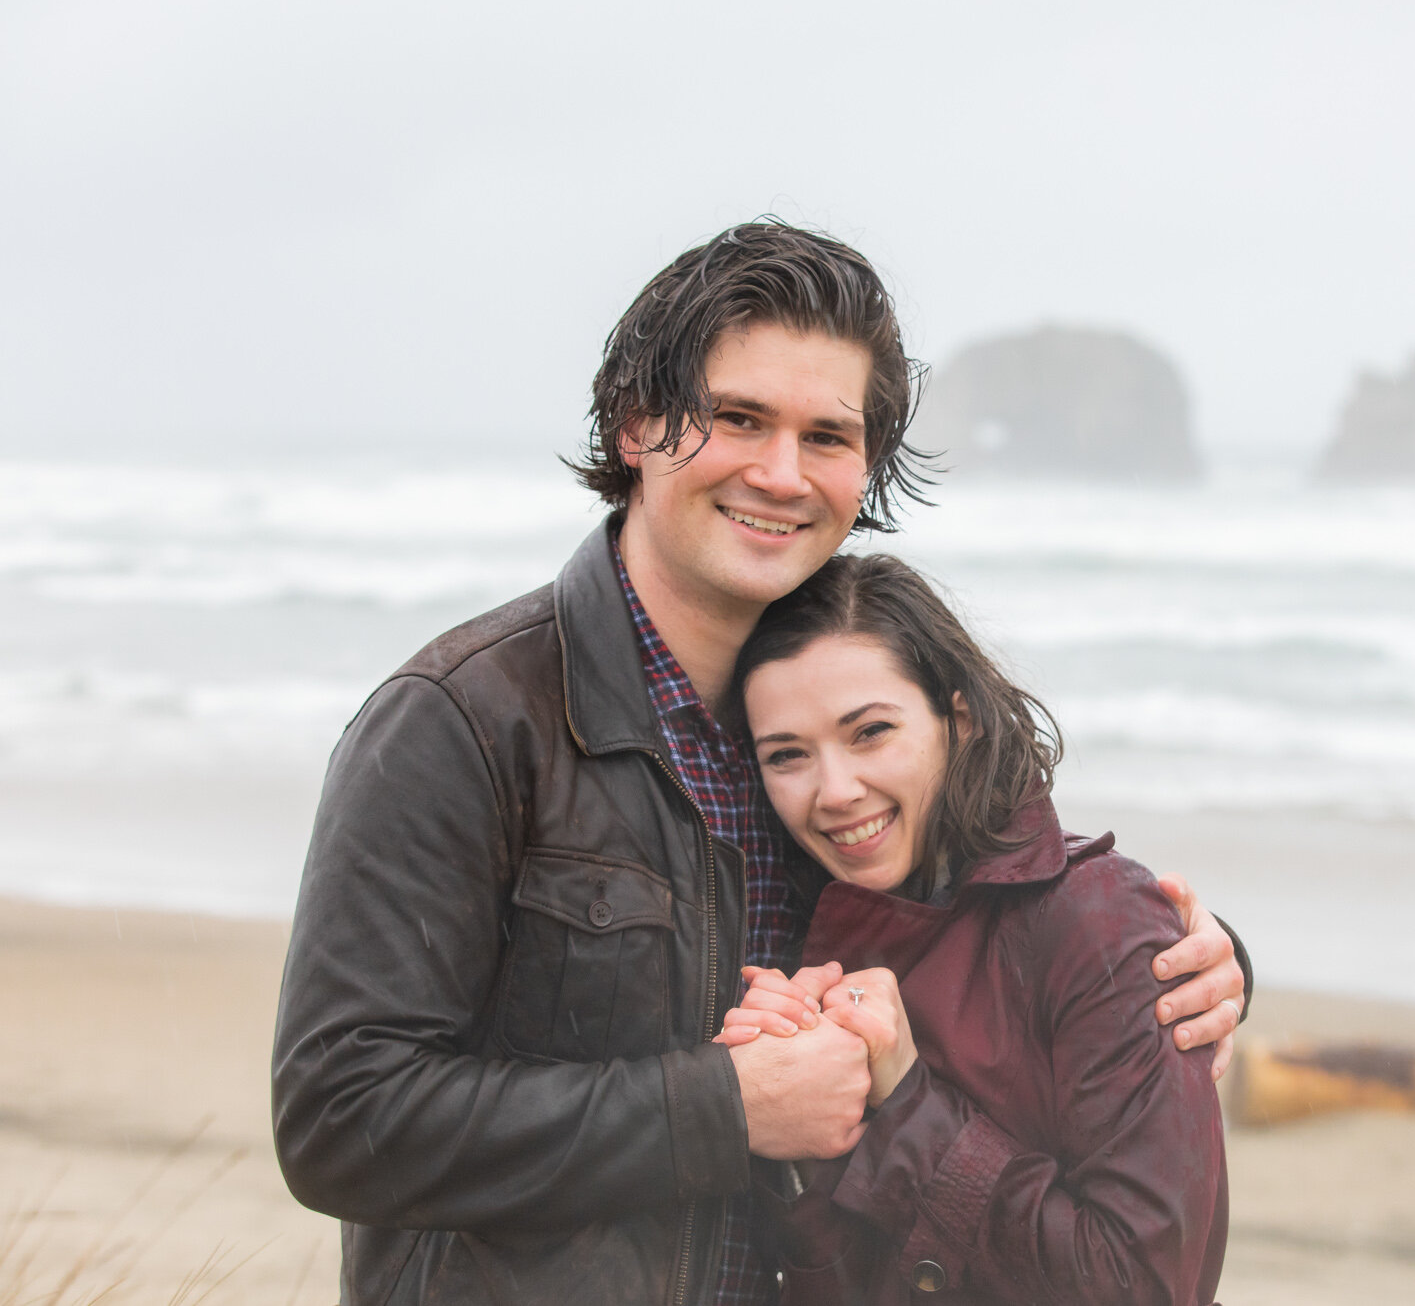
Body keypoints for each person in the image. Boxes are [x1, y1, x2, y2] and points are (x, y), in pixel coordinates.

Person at [270, 220, 1249, 1305]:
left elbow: (998, 917)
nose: (781, 474)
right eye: (738, 419)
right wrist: (725, 1108)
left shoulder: (826, 729)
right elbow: (340, 1119)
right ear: (638, 423)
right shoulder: (462, 721)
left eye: (825, 436)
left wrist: (1179, 961)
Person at [720, 553, 1227, 1305]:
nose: (833, 791)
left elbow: (1146, 1284)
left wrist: (906, 1100)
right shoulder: (794, 929)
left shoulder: (1102, 920)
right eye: (787, 755)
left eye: (870, 732)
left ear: (958, 718)